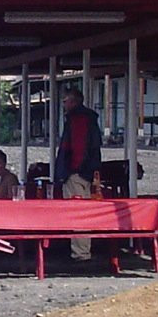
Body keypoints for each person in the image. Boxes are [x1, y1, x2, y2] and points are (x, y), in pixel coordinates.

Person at [52, 86, 103, 260]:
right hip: (84, 172)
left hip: (76, 173)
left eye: (65, 101)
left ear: (73, 101)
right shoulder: (88, 118)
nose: (64, 105)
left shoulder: (78, 119)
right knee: (83, 212)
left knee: (78, 213)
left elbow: (78, 147)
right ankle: (81, 251)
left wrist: (70, 171)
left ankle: (80, 253)